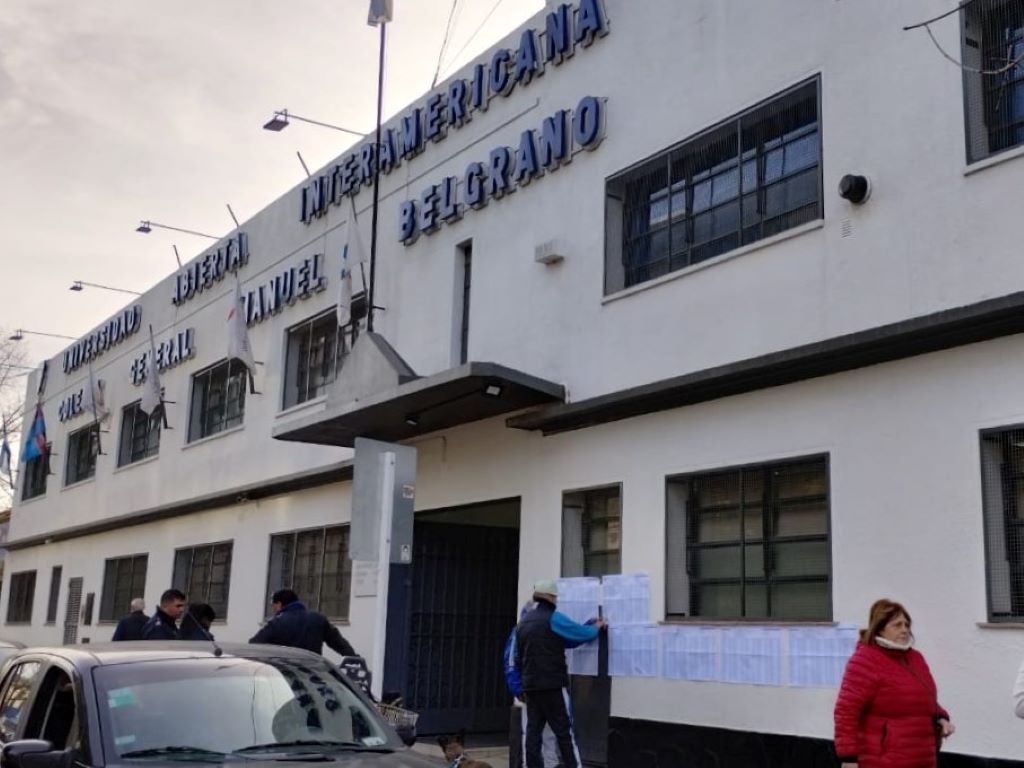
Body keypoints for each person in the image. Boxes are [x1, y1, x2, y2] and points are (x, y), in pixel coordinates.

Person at [834, 599, 954, 768]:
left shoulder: (915, 658)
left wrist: (941, 717)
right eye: (897, 625)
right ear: (880, 629)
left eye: (906, 624)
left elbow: (922, 697)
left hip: (922, 756)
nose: (904, 630)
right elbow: (846, 711)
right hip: (884, 759)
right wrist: (848, 757)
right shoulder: (865, 660)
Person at [516, 579, 605, 768]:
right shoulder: (553, 618)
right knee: (564, 732)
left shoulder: (523, 622)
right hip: (552, 686)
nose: (557, 600)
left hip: (530, 687)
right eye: (555, 597)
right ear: (550, 597)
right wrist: (596, 627)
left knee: (533, 733)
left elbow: (559, 641)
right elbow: (580, 634)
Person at [505, 600, 560, 768]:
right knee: (538, 736)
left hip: (534, 690)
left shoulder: (522, 630)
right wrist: (518, 689)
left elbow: (510, 663)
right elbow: (511, 663)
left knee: (540, 736)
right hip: (535, 691)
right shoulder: (522, 632)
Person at [249, 588, 356, 657]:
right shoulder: (318, 619)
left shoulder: (277, 623)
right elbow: (338, 643)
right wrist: (354, 659)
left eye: (273, 606)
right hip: (313, 674)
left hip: (286, 676)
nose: (273, 610)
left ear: (279, 604)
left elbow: (254, 645)